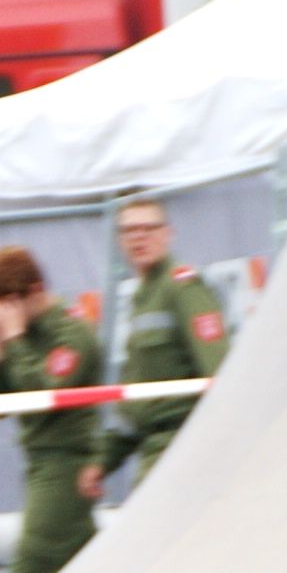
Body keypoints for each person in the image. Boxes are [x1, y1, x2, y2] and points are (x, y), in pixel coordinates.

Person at [0, 244, 102, 573]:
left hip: (66, 466)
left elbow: (42, 395)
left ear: (34, 292)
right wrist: (0, 351)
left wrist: (14, 341)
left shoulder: (72, 334)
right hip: (39, 464)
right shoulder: (23, 336)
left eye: (8, 303)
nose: (3, 315)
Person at [79, 198, 232, 503]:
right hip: (154, 448)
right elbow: (136, 402)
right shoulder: (142, 298)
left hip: (183, 444)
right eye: (129, 230)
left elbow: (220, 371)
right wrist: (103, 461)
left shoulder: (183, 287)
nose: (139, 237)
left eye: (148, 228)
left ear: (167, 234)